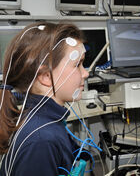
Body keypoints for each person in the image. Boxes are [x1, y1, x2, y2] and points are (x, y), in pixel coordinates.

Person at [0, 22, 93, 175]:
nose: (86, 73)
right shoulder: (41, 140)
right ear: (46, 76)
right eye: (78, 65)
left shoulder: (45, 121)